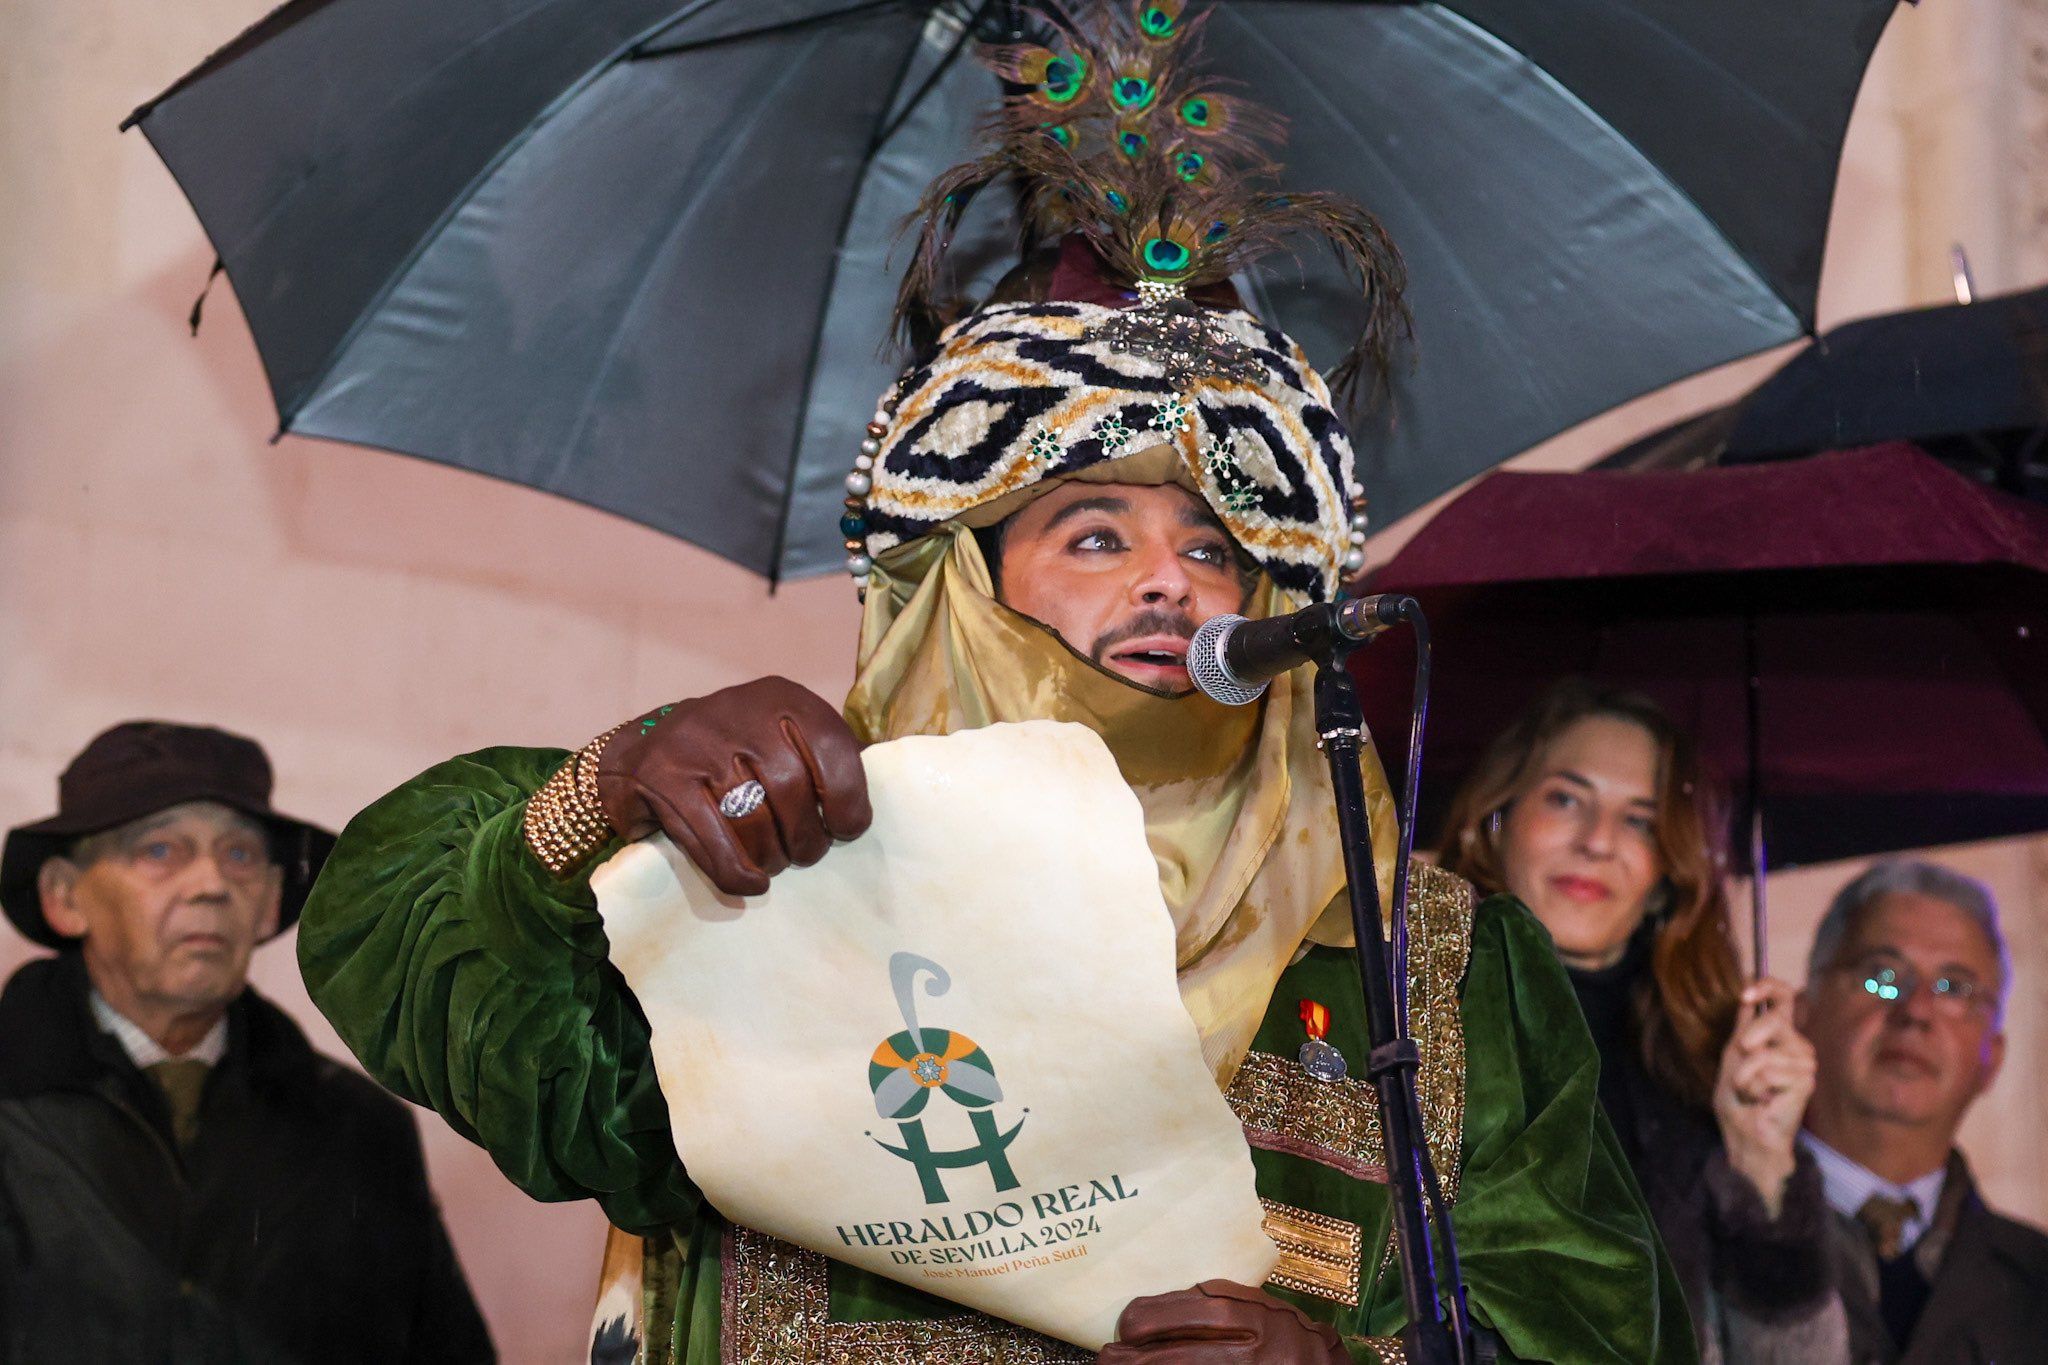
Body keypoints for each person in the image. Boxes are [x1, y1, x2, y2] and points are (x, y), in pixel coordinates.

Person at [298, 8, 1694, 1361]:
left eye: (1217, 545)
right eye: (1096, 532)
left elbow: (1605, 1331)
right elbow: (404, 953)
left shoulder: (1436, 967)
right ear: (961, 581)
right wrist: (608, 785)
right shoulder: (778, 853)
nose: (1174, 583)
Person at [0, 720, 494, 1364]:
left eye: (239, 855)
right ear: (66, 897)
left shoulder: (359, 1130)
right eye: (159, 851)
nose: (210, 885)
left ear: (268, 904)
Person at [1437, 680, 1845, 1363]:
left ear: (1666, 872)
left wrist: (1762, 1161)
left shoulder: (1709, 1064)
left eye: (1639, 820)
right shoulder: (1410, 1015)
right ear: (1497, 817)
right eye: (1566, 798)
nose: (1597, 841)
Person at [1796, 859, 2048, 1362]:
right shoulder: (1695, 1236)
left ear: (1991, 1059)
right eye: (1882, 976)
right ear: (1803, 1012)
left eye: (1955, 988)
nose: (1914, 1011)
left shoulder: (2038, 1282)